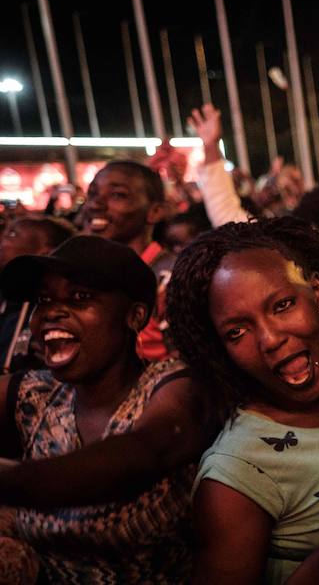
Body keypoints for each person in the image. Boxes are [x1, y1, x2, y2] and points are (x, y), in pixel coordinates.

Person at [165, 217, 319, 583]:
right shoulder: (237, 475)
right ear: (221, 349)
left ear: (317, 292)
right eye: (237, 331)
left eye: (282, 305)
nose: (269, 339)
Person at [0, 235, 209, 582]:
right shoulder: (36, 395)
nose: (52, 312)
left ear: (135, 316)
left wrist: (12, 482)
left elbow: (142, 454)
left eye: (80, 297)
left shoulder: (173, 386)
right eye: (43, 300)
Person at [83, 160, 176, 360]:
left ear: (155, 211)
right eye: (92, 194)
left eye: (118, 195)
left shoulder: (169, 276)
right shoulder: (86, 273)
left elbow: (187, 365)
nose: (95, 204)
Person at [0, 217, 75, 372]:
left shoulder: (53, 312)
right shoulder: (5, 300)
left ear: (46, 252)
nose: (2, 240)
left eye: (12, 235)